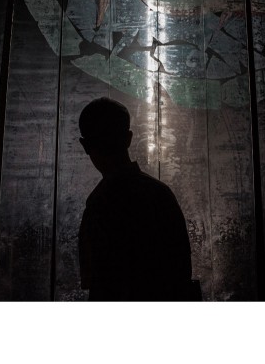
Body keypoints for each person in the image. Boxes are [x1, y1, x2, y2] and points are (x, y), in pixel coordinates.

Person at [78, 97, 194, 301]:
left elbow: (99, 283)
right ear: (128, 138)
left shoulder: (99, 204)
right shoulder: (160, 194)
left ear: (85, 145)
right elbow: (181, 271)